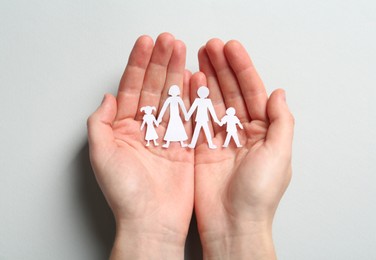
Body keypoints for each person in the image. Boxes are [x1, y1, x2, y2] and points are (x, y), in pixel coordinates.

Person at [87, 32, 294, 259]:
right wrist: (144, 228)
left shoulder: (194, 103)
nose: (176, 93)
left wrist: (243, 226)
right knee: (193, 132)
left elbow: (191, 112)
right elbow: (181, 111)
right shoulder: (177, 102)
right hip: (184, 124)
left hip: (201, 124)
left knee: (201, 132)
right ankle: (186, 139)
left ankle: (190, 138)